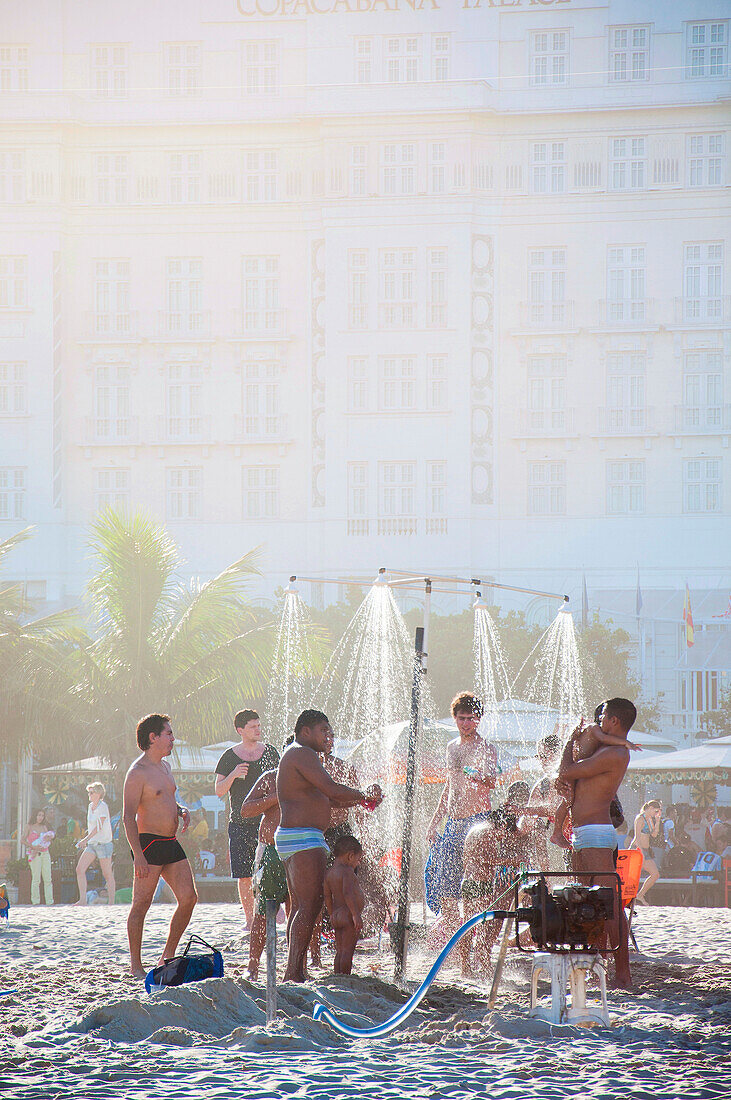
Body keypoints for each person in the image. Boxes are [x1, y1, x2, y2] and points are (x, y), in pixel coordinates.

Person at [275, 709, 383, 983]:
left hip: (299, 835)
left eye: (330, 731)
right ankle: (292, 973)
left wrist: (361, 799)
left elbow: (330, 799)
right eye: (324, 730)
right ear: (305, 731)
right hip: (302, 837)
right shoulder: (301, 753)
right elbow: (332, 790)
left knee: (302, 905)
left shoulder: (302, 756)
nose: (329, 736)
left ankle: (295, 971)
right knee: (309, 906)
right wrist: (362, 795)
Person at [556, 697, 635, 989]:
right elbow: (570, 779)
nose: (598, 722)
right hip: (585, 833)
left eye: (602, 718)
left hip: (595, 833)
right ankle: (597, 962)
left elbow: (567, 771)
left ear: (614, 721)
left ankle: (623, 973)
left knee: (610, 905)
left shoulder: (615, 753)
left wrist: (568, 742)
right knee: (588, 903)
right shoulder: (607, 749)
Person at [123, 713, 196, 978]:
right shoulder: (137, 772)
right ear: (153, 737)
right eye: (168, 734)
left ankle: (167, 955)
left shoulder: (165, 767)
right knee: (141, 905)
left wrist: (180, 810)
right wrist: (138, 857)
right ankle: (135, 965)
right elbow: (127, 816)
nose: (173, 739)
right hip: (149, 844)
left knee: (189, 898)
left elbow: (163, 799)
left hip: (171, 841)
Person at [425, 692, 497, 942]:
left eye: (471, 719)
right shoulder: (451, 747)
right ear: (455, 718)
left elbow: (491, 782)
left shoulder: (486, 747)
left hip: (478, 821)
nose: (466, 723)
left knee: (475, 890)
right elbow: (449, 787)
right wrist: (435, 822)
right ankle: (458, 946)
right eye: (462, 718)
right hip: (454, 823)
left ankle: (477, 947)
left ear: (479, 720)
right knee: (447, 887)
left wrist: (478, 776)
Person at [214, 710, 280, 928]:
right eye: (253, 727)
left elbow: (282, 782)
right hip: (241, 823)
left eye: (259, 725)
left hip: (270, 823)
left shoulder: (270, 752)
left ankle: (275, 913)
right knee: (244, 875)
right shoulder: (229, 756)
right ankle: (250, 919)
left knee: (274, 868)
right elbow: (218, 791)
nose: (258, 730)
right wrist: (233, 775)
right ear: (240, 730)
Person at [550, 719, 641, 851]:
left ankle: (558, 832)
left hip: (577, 768)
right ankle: (557, 832)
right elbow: (604, 738)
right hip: (576, 769)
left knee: (568, 800)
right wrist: (625, 743)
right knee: (567, 800)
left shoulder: (587, 733)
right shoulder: (594, 728)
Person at [459, 811, 531, 977]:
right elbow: (488, 860)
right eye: (505, 834)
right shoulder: (489, 833)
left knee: (468, 926)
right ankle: (484, 967)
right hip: (480, 883)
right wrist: (512, 860)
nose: (503, 839)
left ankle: (466, 968)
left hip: (468, 881)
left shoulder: (475, 829)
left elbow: (469, 858)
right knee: (483, 925)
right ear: (503, 826)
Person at [239, 768, 288, 981]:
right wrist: (277, 796)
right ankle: (253, 965)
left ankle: (302, 964)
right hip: (271, 849)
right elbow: (245, 810)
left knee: (301, 909)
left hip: (302, 849)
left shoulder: (312, 775)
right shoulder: (272, 777)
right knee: (262, 910)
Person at [323, 835, 365, 975]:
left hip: (336, 915)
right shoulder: (347, 872)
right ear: (350, 856)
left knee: (340, 951)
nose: (358, 864)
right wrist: (355, 914)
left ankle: (338, 975)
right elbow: (348, 894)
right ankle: (345, 977)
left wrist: (331, 914)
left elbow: (328, 896)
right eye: (358, 860)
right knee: (348, 951)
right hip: (348, 916)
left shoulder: (329, 873)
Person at [75, 783, 116, 906]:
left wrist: (85, 839)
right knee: (80, 869)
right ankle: (83, 900)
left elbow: (99, 826)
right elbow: (92, 826)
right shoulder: (90, 806)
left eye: (92, 792)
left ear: (98, 794)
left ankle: (111, 902)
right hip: (92, 844)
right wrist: (87, 840)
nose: (89, 795)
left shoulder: (103, 807)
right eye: (89, 792)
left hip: (103, 844)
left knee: (107, 873)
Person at [631, 800, 662, 904]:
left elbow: (653, 835)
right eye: (656, 811)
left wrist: (657, 821)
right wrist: (641, 853)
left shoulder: (649, 819)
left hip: (646, 850)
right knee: (633, 875)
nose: (656, 813)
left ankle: (640, 895)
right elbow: (637, 837)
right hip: (637, 848)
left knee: (655, 874)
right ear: (651, 808)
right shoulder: (640, 818)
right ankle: (634, 896)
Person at [25, 808, 55, 906]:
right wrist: (33, 846)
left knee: (47, 878)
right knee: (36, 878)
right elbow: (22, 840)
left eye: (42, 815)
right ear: (35, 816)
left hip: (45, 853)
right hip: (34, 853)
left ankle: (50, 901)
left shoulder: (44, 827)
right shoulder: (29, 827)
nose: (40, 817)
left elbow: (48, 839)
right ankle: (35, 901)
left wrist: (48, 838)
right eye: (39, 815)